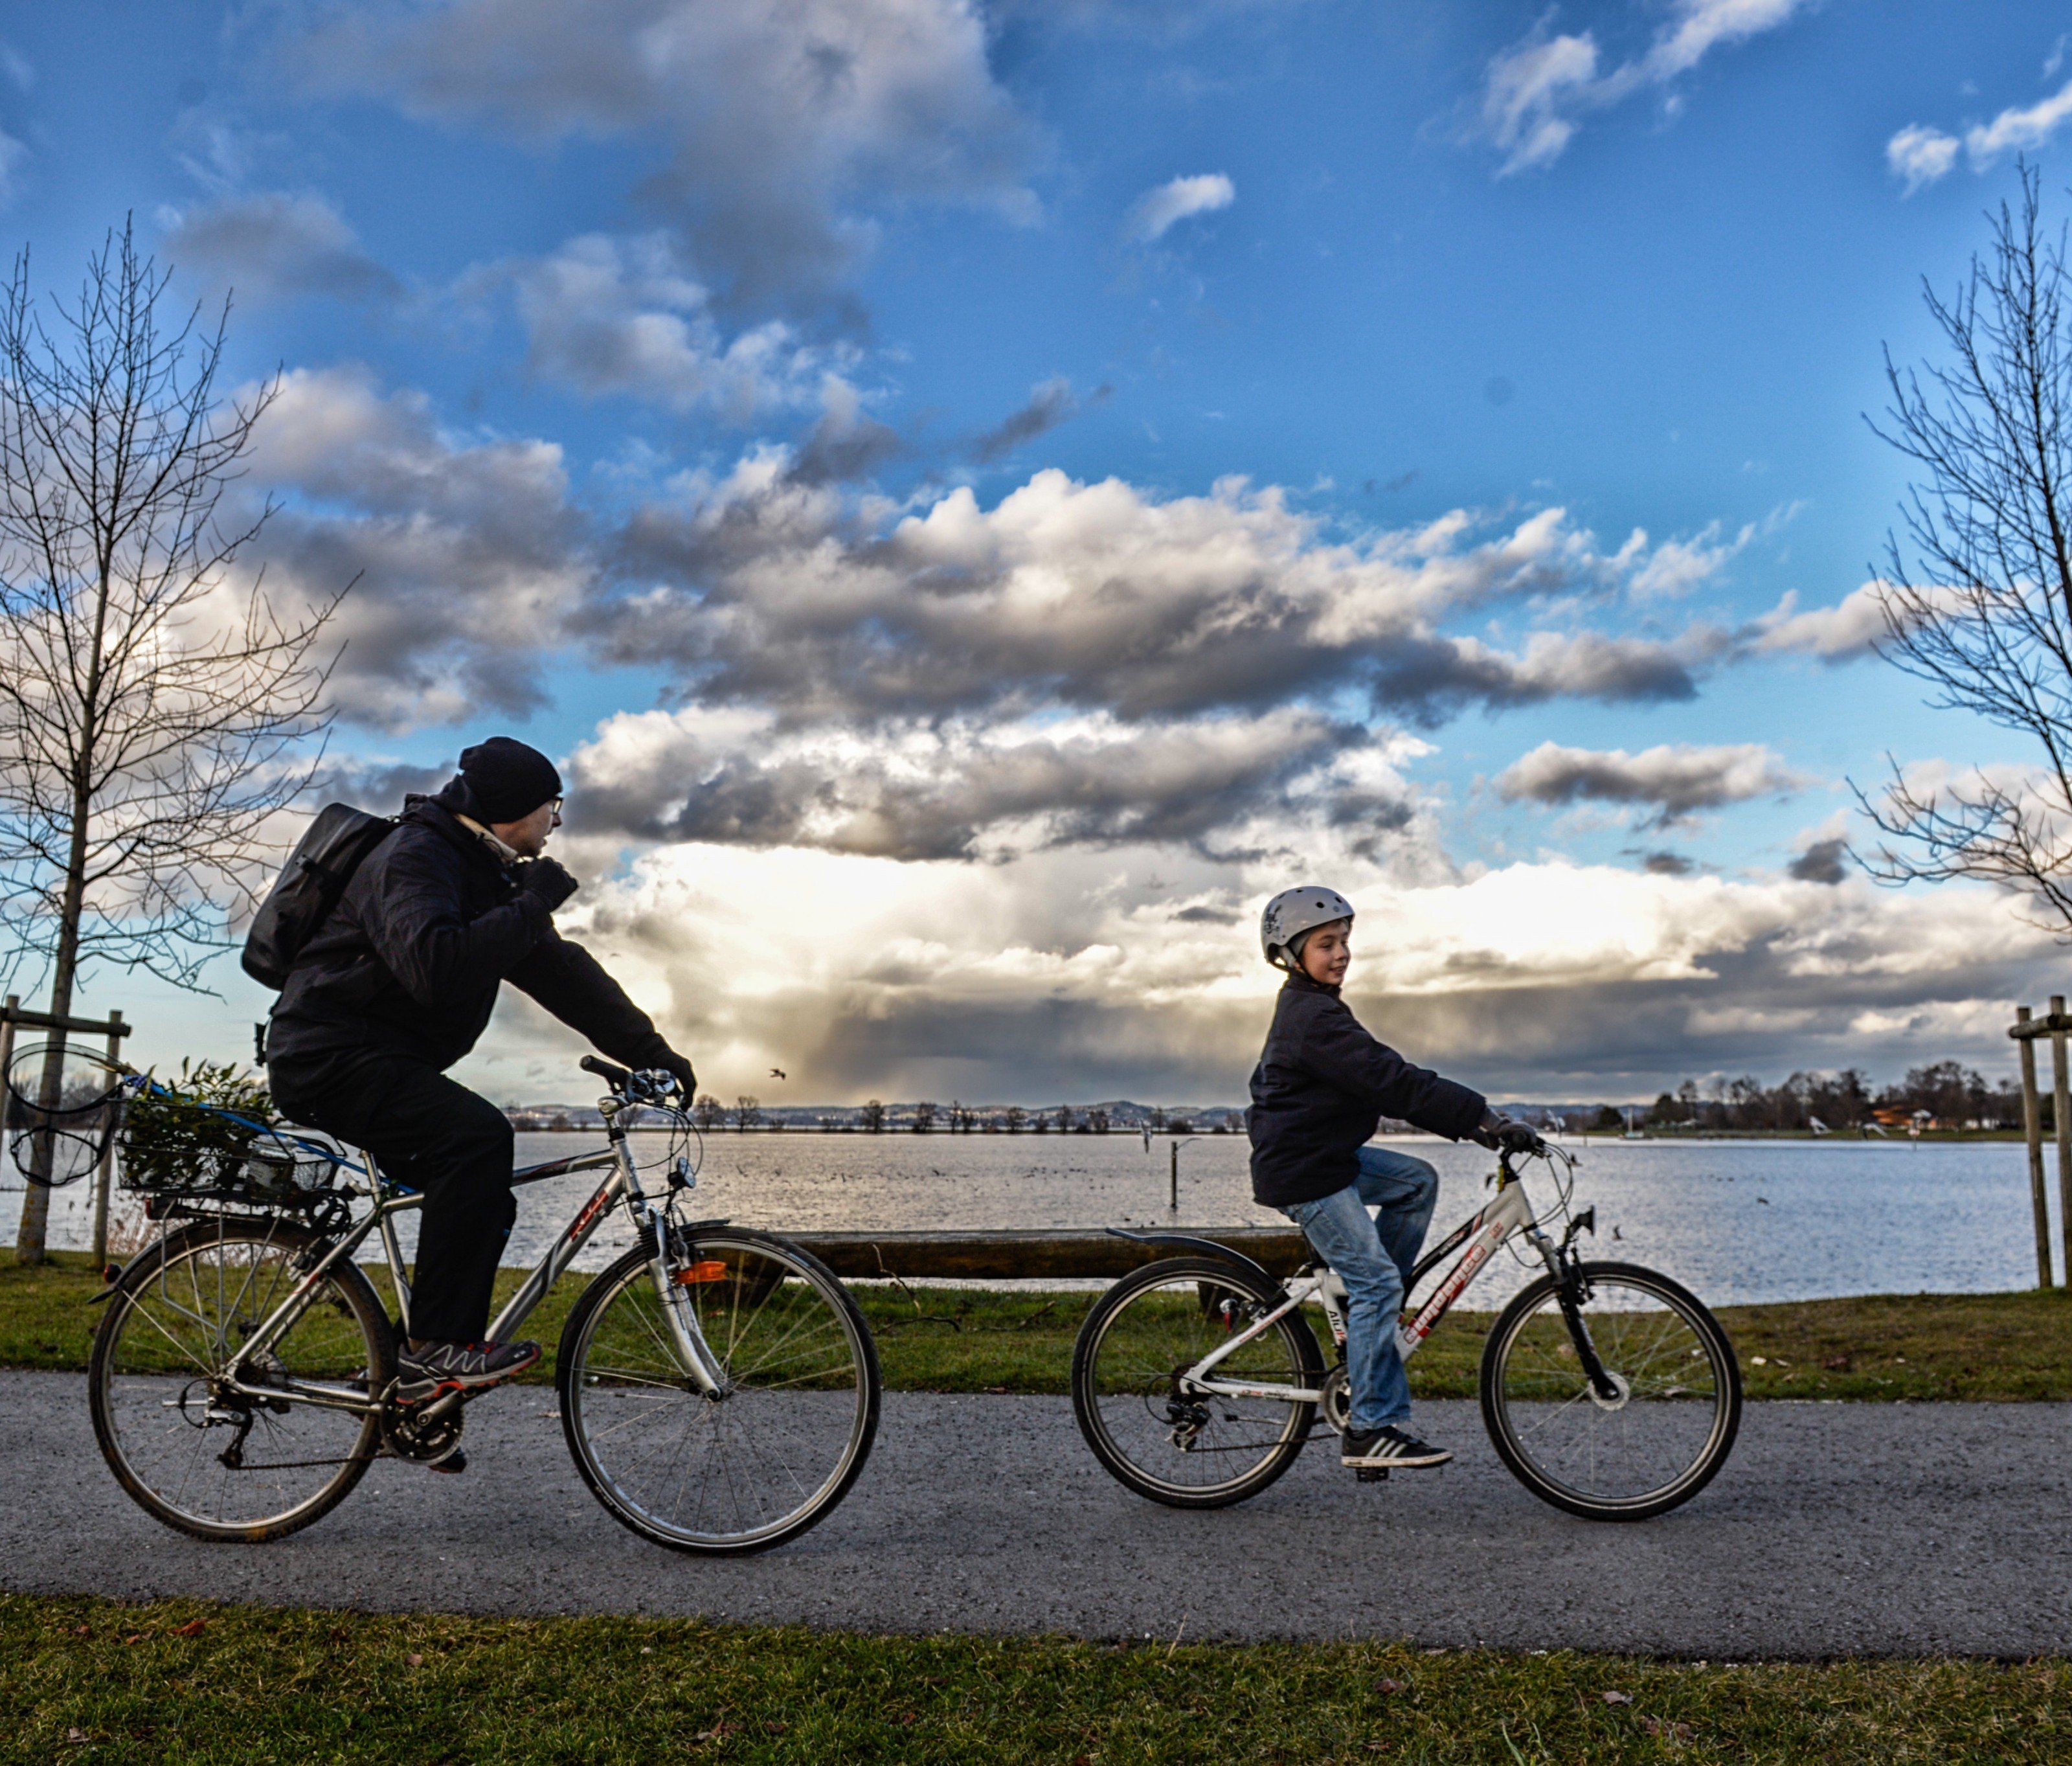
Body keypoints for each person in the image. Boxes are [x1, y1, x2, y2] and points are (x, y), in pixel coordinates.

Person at [266, 738, 697, 1416]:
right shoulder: (417, 857)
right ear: (513, 809)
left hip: (380, 1059)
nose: (556, 824)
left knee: (482, 1195)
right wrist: (531, 906)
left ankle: (421, 1403)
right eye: (552, 807)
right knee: (475, 1139)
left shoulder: (479, 870)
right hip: (327, 1057)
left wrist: (651, 1052)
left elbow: (561, 974)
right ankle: (432, 1354)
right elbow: (435, 968)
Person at [1248, 886, 1532, 1473]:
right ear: (1290, 954)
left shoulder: (1319, 1008)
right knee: (1376, 1281)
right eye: (1326, 944)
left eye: (1345, 942)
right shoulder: (1311, 1018)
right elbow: (1393, 1080)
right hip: (1306, 1170)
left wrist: (1478, 1123)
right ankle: (1370, 1426)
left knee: (1416, 1182)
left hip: (1322, 1154)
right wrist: (1483, 1118)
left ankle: (1372, 1317)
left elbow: (1389, 1078)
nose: (1342, 953)